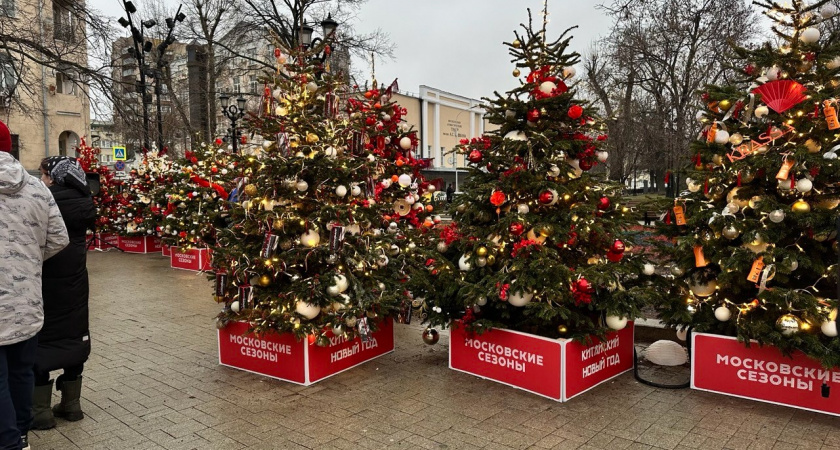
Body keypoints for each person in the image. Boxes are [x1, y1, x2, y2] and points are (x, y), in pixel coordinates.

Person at [0, 121, 69, 450]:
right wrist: (26, 261)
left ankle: (10, 442)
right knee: (21, 371)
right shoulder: (37, 187)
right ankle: (22, 435)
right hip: (27, 301)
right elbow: (59, 238)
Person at [31, 157, 95, 430]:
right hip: (76, 281)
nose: (42, 180)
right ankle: (72, 405)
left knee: (43, 339)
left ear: (55, 177)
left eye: (45, 175)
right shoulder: (85, 200)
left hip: (45, 280)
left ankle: (40, 411)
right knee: (74, 334)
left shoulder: (44, 200)